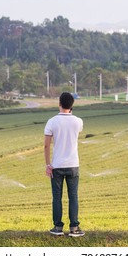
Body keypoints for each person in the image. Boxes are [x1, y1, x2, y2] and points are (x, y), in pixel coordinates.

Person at [44, 92, 84, 237]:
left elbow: (46, 146)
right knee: (73, 196)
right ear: (72, 105)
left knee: (57, 197)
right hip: (73, 165)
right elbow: (75, 128)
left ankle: (57, 227)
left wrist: (48, 165)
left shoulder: (52, 122)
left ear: (59, 103)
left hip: (57, 165)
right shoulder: (78, 121)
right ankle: (74, 228)